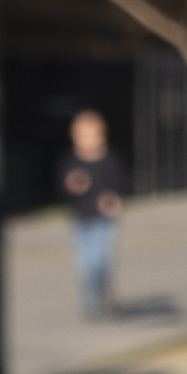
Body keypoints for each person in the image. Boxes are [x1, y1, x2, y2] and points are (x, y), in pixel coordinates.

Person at [55, 109, 125, 318]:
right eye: (82, 134)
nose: (87, 140)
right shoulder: (70, 162)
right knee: (85, 265)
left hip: (104, 220)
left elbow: (122, 182)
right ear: (74, 136)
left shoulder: (110, 160)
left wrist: (113, 198)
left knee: (101, 261)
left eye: (92, 134)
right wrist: (70, 185)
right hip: (80, 220)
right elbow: (59, 186)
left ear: (102, 134)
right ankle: (90, 302)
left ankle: (102, 291)